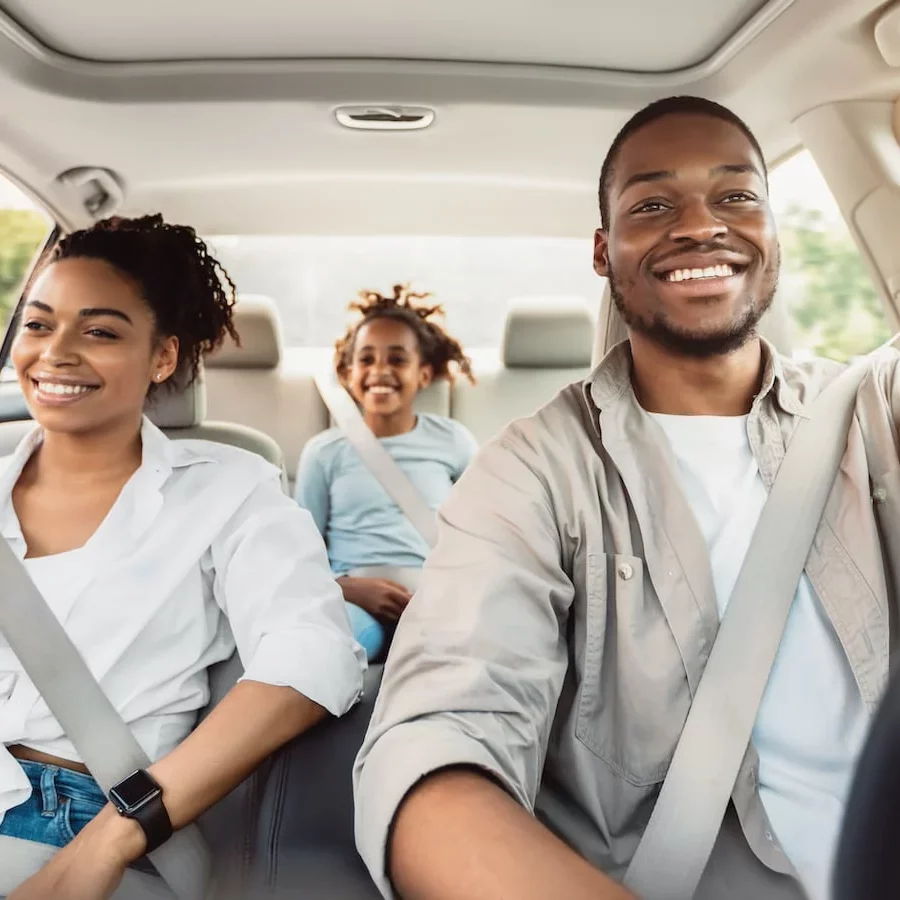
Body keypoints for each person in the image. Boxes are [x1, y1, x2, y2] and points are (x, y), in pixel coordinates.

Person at [353, 96, 900, 900]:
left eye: (737, 195)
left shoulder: (873, 410)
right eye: (653, 204)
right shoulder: (531, 469)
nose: (700, 224)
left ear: (775, 231)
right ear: (604, 252)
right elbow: (439, 738)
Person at [0, 214, 365, 899]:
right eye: (39, 325)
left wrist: (120, 831)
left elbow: (315, 652)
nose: (56, 353)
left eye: (101, 331)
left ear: (162, 357)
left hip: (79, 821)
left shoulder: (228, 489)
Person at [295, 285, 478, 661]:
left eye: (397, 360)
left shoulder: (454, 442)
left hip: (435, 597)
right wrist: (347, 589)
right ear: (347, 374)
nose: (380, 370)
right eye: (366, 360)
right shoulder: (325, 452)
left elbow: (483, 537)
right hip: (353, 597)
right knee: (333, 647)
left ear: (423, 374)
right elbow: (299, 558)